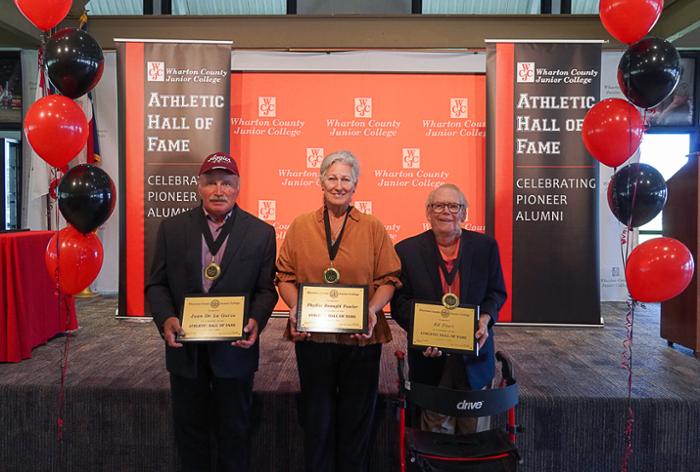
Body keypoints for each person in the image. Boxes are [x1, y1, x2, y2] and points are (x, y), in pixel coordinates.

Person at [145, 151, 278, 472]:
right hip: (185, 350)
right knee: (189, 432)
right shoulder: (172, 228)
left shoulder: (261, 233)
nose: (219, 190)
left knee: (235, 430)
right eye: (211, 183)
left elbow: (266, 290)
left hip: (235, 349)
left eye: (227, 183)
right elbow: (156, 285)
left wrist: (256, 320)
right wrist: (166, 319)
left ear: (238, 187)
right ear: (199, 187)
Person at [276, 150, 401, 472]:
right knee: (316, 419)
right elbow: (285, 277)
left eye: (346, 178)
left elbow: (389, 279)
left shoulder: (373, 227)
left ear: (356, 184)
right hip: (313, 336)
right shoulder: (301, 225)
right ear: (320, 181)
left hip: (361, 336)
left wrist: (371, 310)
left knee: (357, 419)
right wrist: (295, 308)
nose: (339, 185)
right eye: (332, 177)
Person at [391, 183, 506, 435]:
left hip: (475, 354)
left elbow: (496, 293)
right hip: (429, 358)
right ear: (428, 212)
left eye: (454, 206)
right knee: (434, 431)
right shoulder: (406, 251)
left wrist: (485, 319)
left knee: (474, 432)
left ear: (464, 213)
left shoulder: (485, 247)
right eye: (438, 206)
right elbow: (399, 303)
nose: (446, 212)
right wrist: (424, 332)